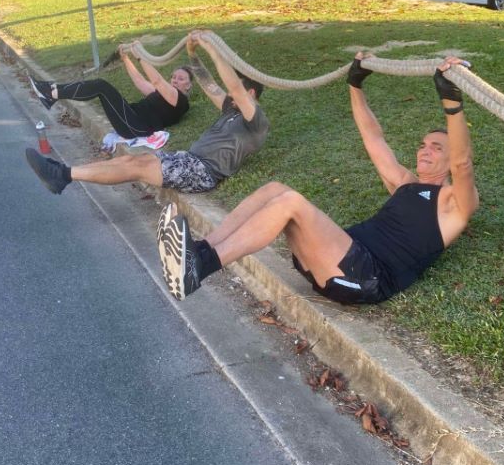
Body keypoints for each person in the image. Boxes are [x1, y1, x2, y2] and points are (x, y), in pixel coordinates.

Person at [157, 54, 479, 303]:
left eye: (437, 148)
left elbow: (464, 164)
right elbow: (373, 137)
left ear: (450, 161)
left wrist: (452, 104)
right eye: (423, 145)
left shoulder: (454, 204)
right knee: (275, 190)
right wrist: (355, 85)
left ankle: (200, 269)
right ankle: (199, 251)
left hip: (366, 276)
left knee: (291, 203)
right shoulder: (405, 184)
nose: (425, 151)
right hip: (336, 260)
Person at [24, 32, 269, 196]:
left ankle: (63, 174)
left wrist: (213, 51)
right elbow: (209, 85)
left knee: (137, 166)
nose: (230, 89)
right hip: (188, 158)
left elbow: (234, 87)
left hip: (203, 172)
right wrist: (194, 53)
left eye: (237, 87)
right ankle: (63, 173)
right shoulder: (229, 108)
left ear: (250, 93)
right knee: (133, 160)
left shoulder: (256, 120)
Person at [28, 49, 193, 140]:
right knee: (100, 87)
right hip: (130, 116)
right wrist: (126, 58)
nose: (175, 80)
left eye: (181, 78)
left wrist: (140, 56)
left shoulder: (180, 100)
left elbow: (157, 80)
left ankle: (51, 93)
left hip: (136, 127)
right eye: (174, 77)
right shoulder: (164, 94)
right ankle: (51, 93)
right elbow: (140, 82)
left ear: (189, 85)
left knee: (101, 86)